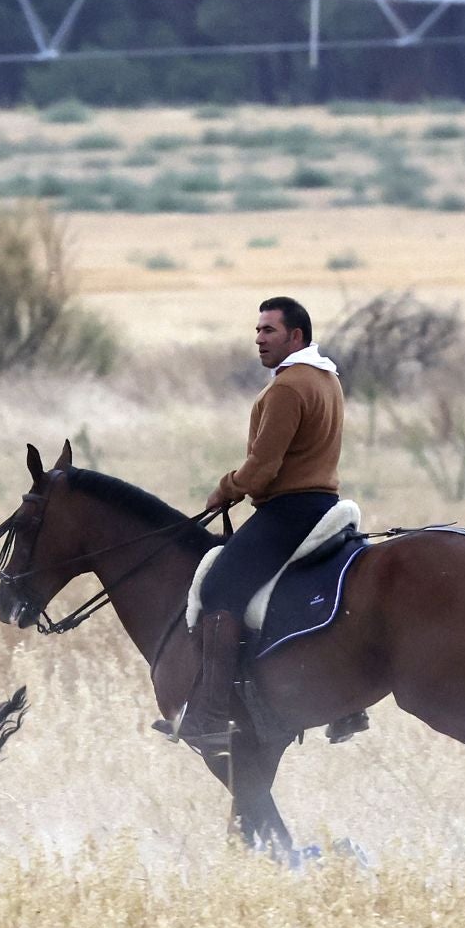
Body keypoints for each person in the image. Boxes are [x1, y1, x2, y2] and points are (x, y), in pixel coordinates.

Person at [182, 295, 345, 750]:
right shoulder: (326, 377)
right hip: (323, 504)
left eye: (268, 331)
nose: (259, 339)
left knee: (217, 588)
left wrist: (226, 488)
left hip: (289, 510)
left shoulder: (288, 388)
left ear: (295, 336)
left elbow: (263, 468)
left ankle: (211, 714)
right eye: (257, 331)